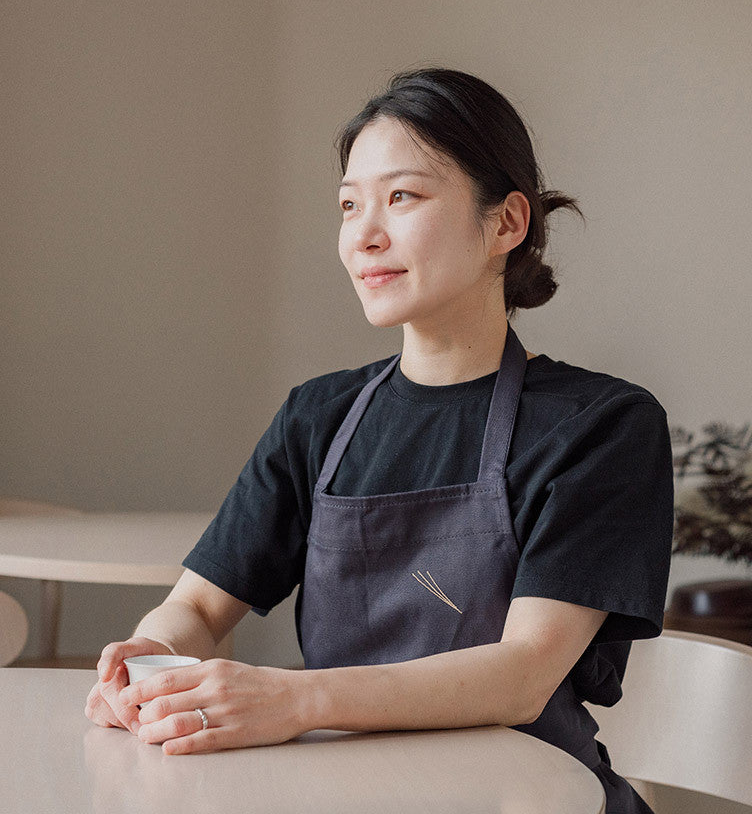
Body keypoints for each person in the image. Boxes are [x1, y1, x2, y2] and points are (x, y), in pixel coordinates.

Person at [85, 67, 673, 814]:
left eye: (402, 197)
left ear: (506, 223)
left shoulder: (599, 425)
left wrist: (293, 699)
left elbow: (523, 676)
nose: (364, 234)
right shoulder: (318, 417)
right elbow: (198, 610)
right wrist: (154, 664)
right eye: (347, 205)